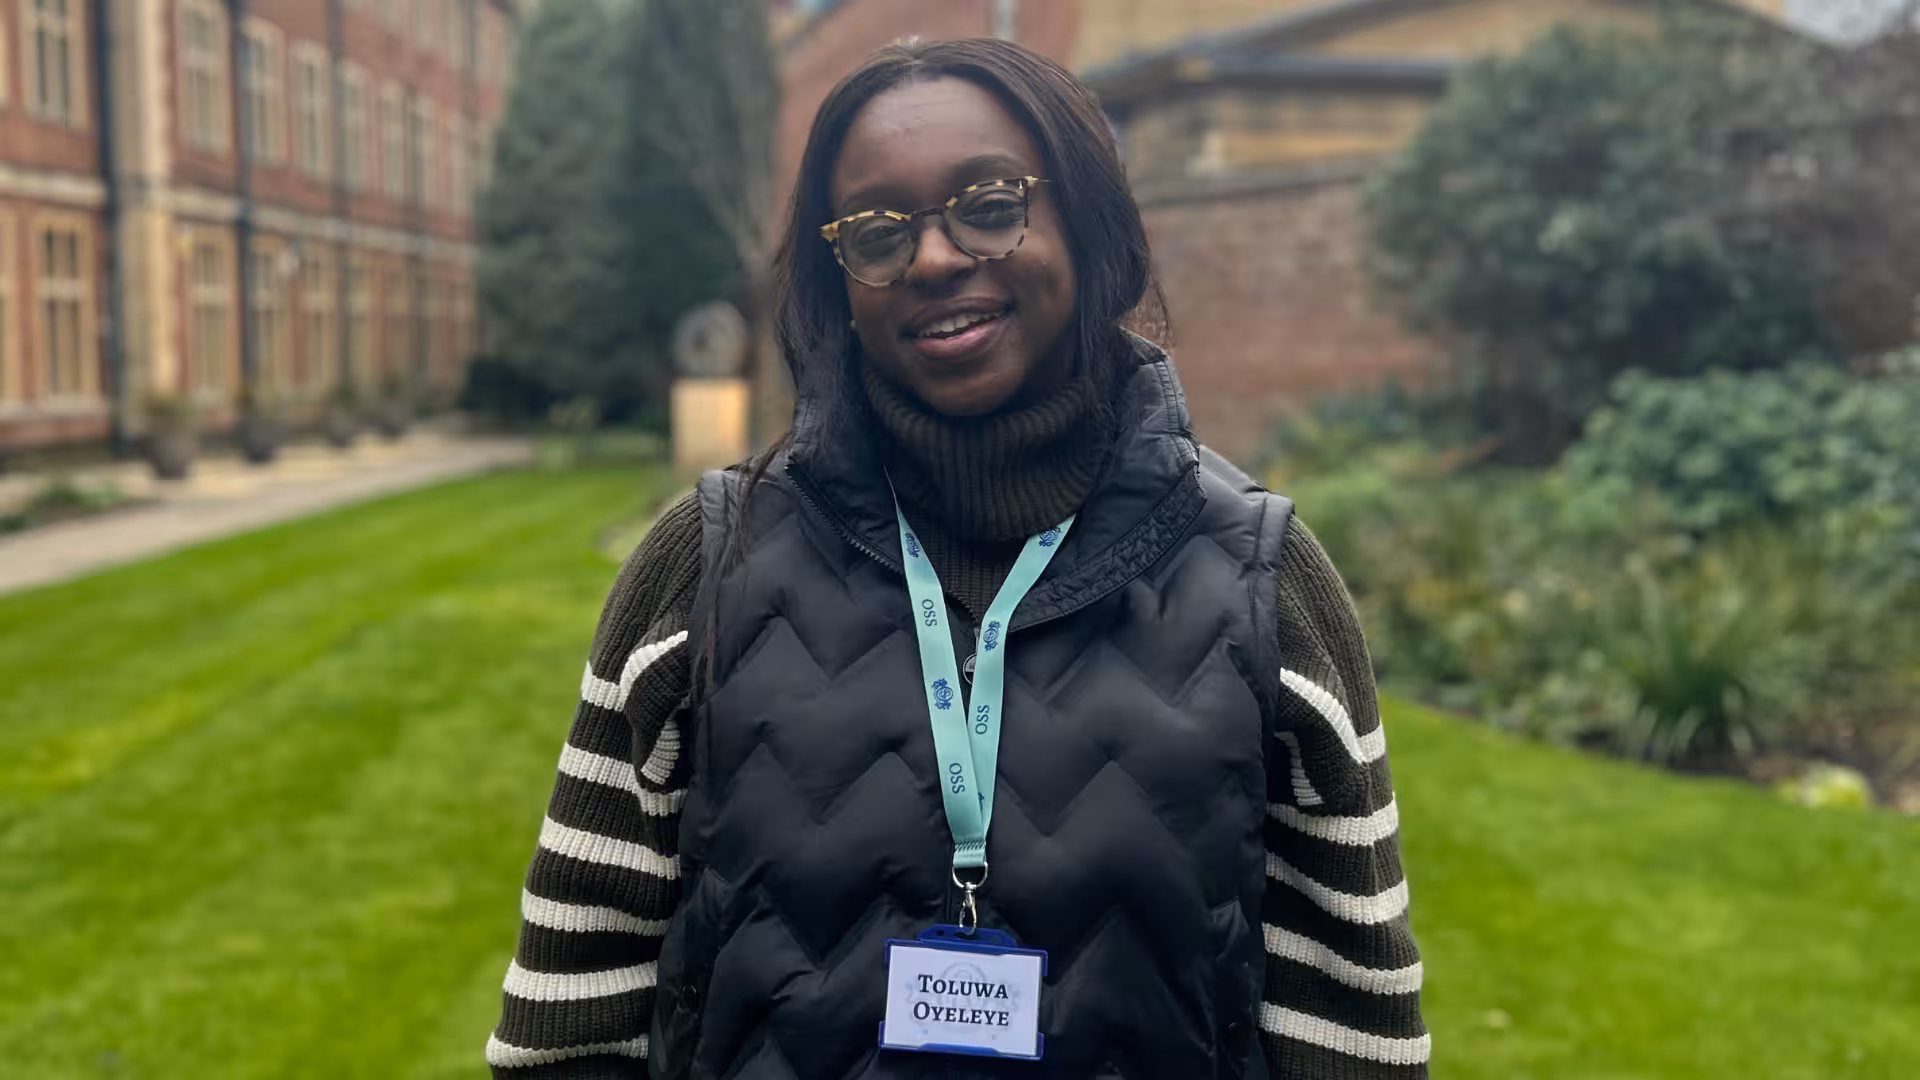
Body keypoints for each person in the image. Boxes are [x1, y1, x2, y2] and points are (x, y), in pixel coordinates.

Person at [486, 37, 1427, 1080]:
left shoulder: (1264, 580)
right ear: (838, 277)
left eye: (989, 205)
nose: (932, 259)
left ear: (1086, 223)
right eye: (878, 233)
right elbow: (565, 1013)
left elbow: (1356, 1034)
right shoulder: (703, 564)